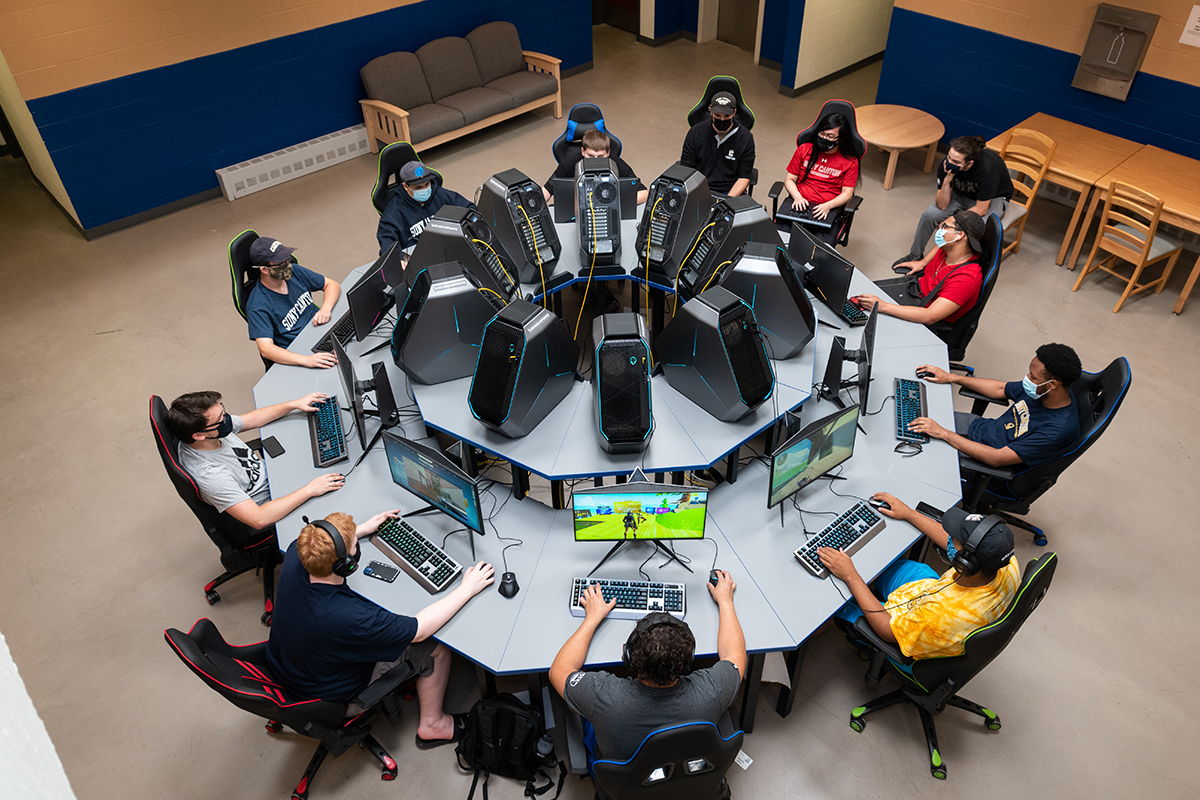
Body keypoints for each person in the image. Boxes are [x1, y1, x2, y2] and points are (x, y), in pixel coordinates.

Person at [267, 511, 495, 745]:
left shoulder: (299, 552)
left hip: (287, 668)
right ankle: (433, 724)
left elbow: (324, 540)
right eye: (354, 544)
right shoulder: (348, 616)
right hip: (330, 699)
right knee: (435, 644)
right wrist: (467, 588)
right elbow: (420, 630)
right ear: (345, 565)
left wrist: (362, 529)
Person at [549, 572, 746, 766]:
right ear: (688, 661)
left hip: (623, 788)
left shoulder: (603, 696)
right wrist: (726, 601)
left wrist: (592, 618)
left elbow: (559, 670)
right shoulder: (712, 691)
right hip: (685, 776)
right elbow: (734, 655)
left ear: (627, 656)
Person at [819, 496, 1019, 661]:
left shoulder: (937, 618)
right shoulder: (1005, 562)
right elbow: (955, 545)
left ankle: (828, 621)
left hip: (909, 622)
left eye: (955, 539)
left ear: (965, 563)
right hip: (931, 591)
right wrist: (909, 514)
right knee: (883, 564)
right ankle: (861, 584)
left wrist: (851, 576)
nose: (949, 537)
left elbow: (887, 631)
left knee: (835, 599)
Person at [167, 390, 345, 529]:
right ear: (198, 435)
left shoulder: (213, 430)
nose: (226, 419)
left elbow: (252, 419)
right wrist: (309, 490)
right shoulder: (210, 475)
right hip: (273, 504)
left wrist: (294, 404)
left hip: (276, 476)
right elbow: (258, 519)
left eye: (223, 411)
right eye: (220, 419)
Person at [907, 343, 1082, 470]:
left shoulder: (1057, 430)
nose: (1027, 378)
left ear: (1052, 384)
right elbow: (1001, 388)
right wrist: (953, 378)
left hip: (982, 458)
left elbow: (997, 458)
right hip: (979, 427)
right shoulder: (1042, 390)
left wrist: (944, 434)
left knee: (910, 453)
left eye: (1033, 376)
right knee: (911, 417)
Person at [894, 135, 1013, 266]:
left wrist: (951, 221)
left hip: (992, 199)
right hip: (963, 194)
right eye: (949, 157)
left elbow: (981, 209)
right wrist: (947, 180)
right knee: (929, 215)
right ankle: (915, 256)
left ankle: (963, 264)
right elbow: (942, 205)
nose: (950, 162)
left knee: (977, 229)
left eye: (956, 162)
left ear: (969, 163)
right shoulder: (947, 164)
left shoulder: (988, 169)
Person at [856, 210, 986, 327]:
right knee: (858, 298)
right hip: (914, 290)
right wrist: (923, 263)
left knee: (862, 320)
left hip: (922, 312)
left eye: (945, 226)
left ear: (960, 236)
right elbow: (938, 246)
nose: (940, 228)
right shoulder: (950, 247)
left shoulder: (966, 279)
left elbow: (930, 316)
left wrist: (882, 306)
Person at [245, 236, 342, 369]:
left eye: (287, 259)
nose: (288, 265)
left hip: (322, 331)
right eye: (282, 263)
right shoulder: (257, 306)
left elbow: (332, 285)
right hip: (301, 350)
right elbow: (266, 349)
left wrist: (325, 309)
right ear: (265, 270)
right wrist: (306, 360)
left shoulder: (295, 272)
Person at [782, 112, 859, 245]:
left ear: (840, 138)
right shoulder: (804, 150)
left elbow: (847, 193)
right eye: (822, 134)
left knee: (818, 254)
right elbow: (789, 179)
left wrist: (828, 206)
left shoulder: (850, 162)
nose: (824, 138)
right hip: (799, 204)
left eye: (830, 136)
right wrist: (797, 197)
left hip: (827, 209)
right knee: (780, 243)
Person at [376, 161, 474, 258]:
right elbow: (386, 241)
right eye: (418, 187)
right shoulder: (394, 211)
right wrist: (399, 258)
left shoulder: (441, 194)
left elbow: (470, 209)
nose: (424, 189)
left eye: (427, 184)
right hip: (417, 257)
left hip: (449, 249)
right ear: (406, 186)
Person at [543, 129, 648, 205]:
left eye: (601, 156)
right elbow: (547, 189)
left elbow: (644, 193)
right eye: (591, 156)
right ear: (583, 151)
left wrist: (614, 203)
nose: (595, 160)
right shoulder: (569, 163)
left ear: (608, 153)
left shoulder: (618, 164)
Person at [680, 91, 755, 197]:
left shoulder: (746, 138)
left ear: (734, 112)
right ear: (710, 111)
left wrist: (726, 201)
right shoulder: (695, 133)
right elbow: (686, 170)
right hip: (698, 188)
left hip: (730, 192)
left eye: (727, 115)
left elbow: (744, 177)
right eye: (718, 115)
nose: (722, 119)